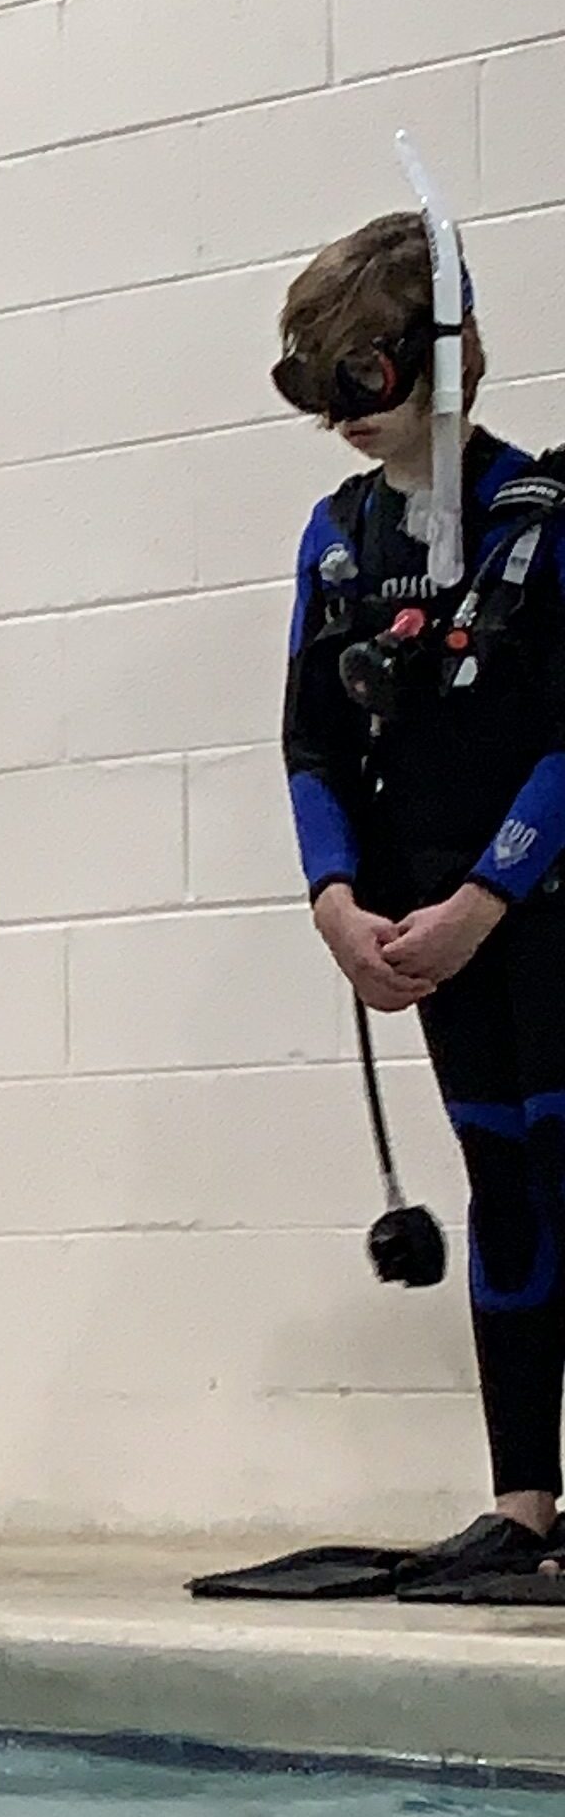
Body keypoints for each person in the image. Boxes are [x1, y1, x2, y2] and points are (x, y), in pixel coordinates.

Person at [256, 210, 565, 1594]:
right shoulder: (337, 542)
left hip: (537, 909)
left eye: (355, 382)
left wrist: (488, 895)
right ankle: (525, 1504)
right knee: (499, 1183)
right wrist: (337, 900)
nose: (338, 423)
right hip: (427, 929)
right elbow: (314, 741)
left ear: (431, 360)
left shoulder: (538, 519)